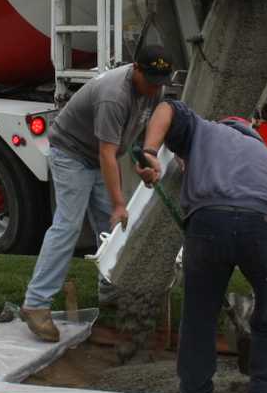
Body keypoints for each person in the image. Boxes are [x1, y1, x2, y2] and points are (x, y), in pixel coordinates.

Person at [134, 101, 267, 393]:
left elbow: (166, 107)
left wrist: (150, 151)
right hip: (261, 224)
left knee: (199, 312)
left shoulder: (203, 130)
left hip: (207, 223)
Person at [20, 44, 173, 342]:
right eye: (151, 79)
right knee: (69, 225)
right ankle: (35, 304)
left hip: (102, 154)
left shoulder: (154, 89)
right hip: (72, 153)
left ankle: (110, 289)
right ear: (136, 69)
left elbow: (139, 132)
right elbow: (106, 153)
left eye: (161, 81)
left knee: (112, 225)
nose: (156, 87)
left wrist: (145, 160)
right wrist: (119, 203)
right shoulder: (113, 96)